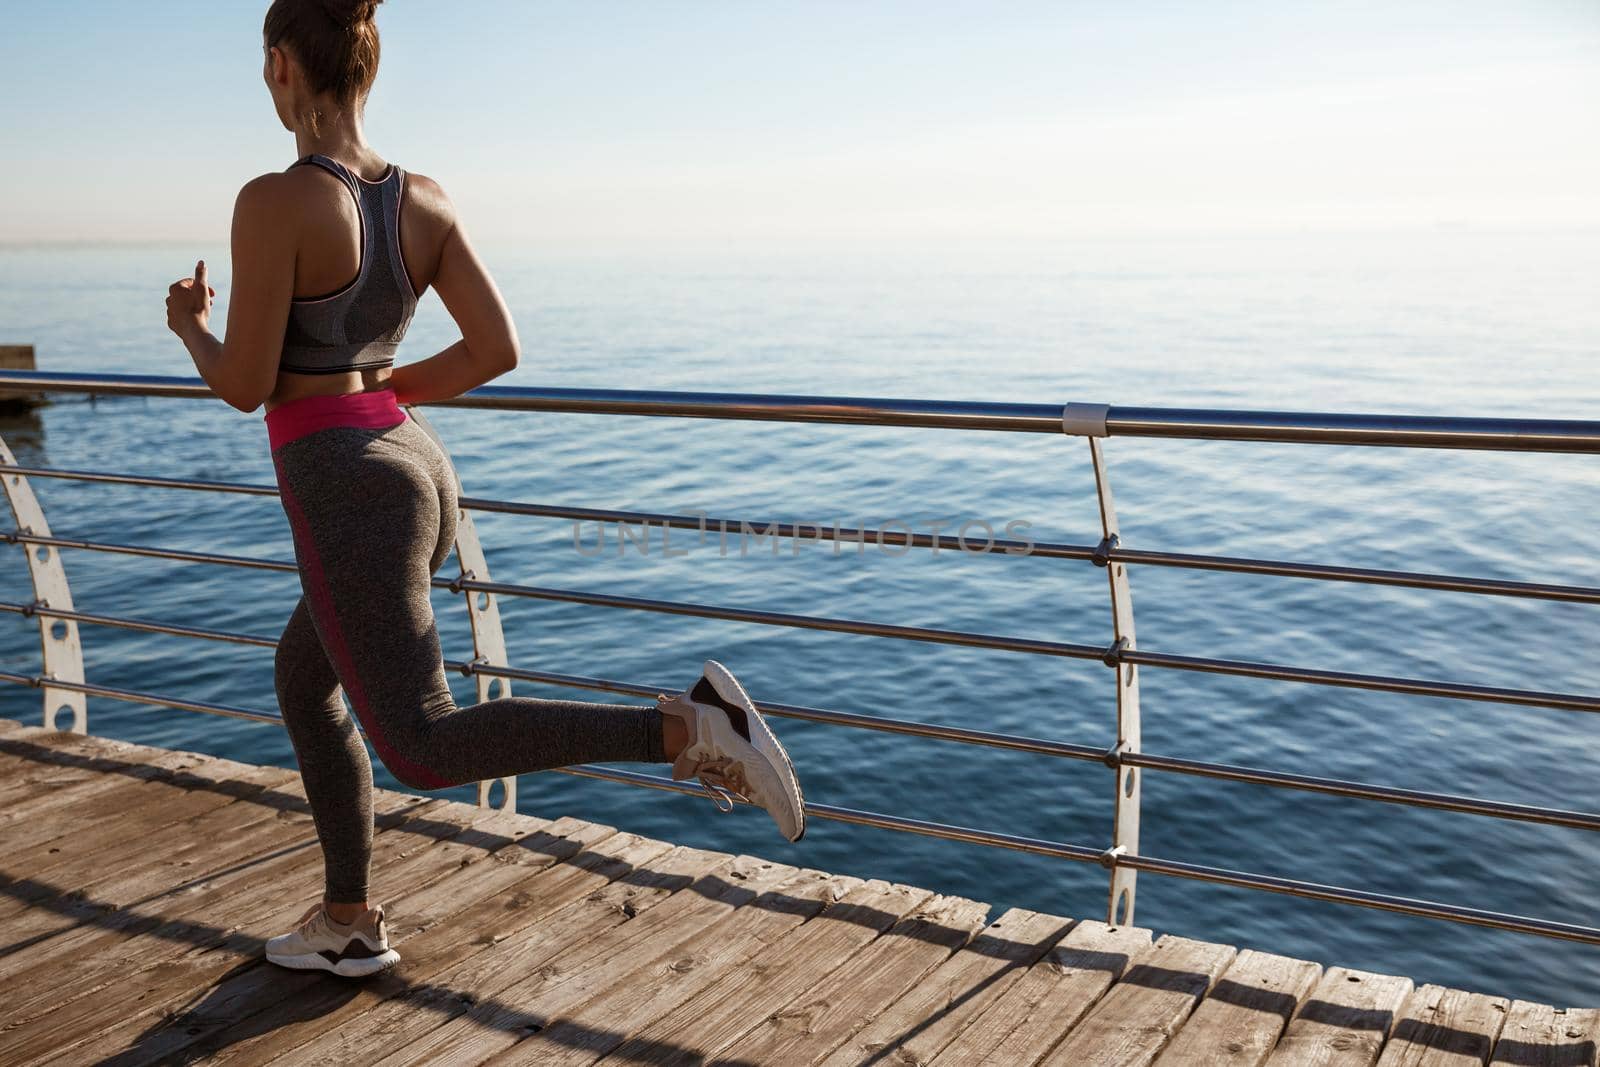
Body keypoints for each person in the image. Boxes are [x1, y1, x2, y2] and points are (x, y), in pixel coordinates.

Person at [164, 0, 804, 979]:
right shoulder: (422, 198)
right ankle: (346, 916)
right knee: (306, 680)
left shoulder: (275, 201)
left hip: (346, 485)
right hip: (415, 462)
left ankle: (683, 726)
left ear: (283, 66)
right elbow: (495, 349)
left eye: (267, 63)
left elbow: (247, 384)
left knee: (420, 740)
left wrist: (190, 326)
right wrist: (385, 389)